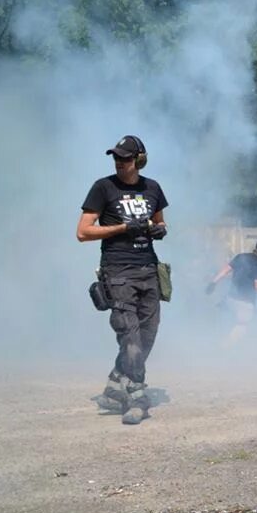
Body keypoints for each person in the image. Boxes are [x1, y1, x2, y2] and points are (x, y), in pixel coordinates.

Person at [77, 135, 168, 425]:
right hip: (118, 272)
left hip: (149, 270)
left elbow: (160, 220)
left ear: (139, 160)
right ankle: (138, 396)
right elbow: (83, 232)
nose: (119, 163)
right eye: (116, 158)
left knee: (148, 334)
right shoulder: (103, 188)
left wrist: (159, 230)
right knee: (129, 337)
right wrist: (122, 227)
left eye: (126, 158)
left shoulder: (152, 188)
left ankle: (116, 384)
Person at [206, 237, 257, 345]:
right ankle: (223, 349)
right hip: (244, 302)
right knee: (243, 326)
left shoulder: (241, 257)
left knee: (237, 323)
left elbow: (226, 270)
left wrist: (213, 282)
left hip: (230, 299)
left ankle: (236, 349)